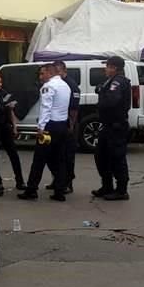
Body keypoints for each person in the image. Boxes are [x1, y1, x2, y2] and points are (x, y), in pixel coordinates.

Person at [18, 62, 71, 202]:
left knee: (39, 159)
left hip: (49, 127)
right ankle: (60, 191)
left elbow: (46, 108)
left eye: (42, 73)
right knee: (59, 159)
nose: (40, 77)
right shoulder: (65, 86)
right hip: (62, 125)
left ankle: (31, 190)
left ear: (50, 73)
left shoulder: (48, 87)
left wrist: (41, 128)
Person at [92, 56, 132, 201]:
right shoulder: (111, 81)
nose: (105, 69)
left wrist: (102, 94)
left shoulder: (118, 81)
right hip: (108, 126)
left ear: (114, 68)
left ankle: (121, 190)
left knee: (117, 158)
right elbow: (99, 88)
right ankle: (107, 185)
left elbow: (111, 100)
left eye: (108, 66)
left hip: (116, 126)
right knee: (101, 156)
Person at [0, 67, 26, 196]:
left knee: (13, 153)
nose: (0, 80)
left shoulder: (3, 92)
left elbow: (10, 109)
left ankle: (20, 180)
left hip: (4, 126)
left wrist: (14, 125)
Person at [47, 60, 80, 194]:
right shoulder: (56, 84)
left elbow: (74, 108)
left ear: (64, 71)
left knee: (67, 156)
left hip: (68, 124)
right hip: (58, 123)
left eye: (58, 71)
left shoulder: (71, 85)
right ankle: (58, 179)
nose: (56, 74)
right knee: (54, 155)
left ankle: (67, 182)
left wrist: (71, 126)